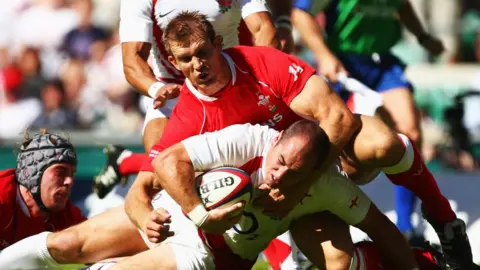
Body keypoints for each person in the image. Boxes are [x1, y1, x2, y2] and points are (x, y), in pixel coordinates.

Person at [0, 11, 470, 270]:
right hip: (252, 204)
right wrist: (173, 212)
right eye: (186, 60)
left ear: (219, 46)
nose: (198, 65)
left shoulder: (262, 63)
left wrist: (298, 181)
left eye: (204, 53)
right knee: (74, 246)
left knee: (383, 143)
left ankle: (444, 220)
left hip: (313, 164)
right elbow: (157, 175)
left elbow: (338, 121)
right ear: (176, 64)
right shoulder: (186, 117)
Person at [106, 121, 437, 269]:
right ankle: (124, 161)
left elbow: (380, 226)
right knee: (70, 245)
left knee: (339, 262)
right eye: (278, 164)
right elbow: (166, 159)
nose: (279, 176)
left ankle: (426, 262)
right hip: (186, 220)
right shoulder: (245, 141)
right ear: (275, 143)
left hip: (231, 257)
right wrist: (199, 213)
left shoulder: (326, 185)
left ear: (311, 174)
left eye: (294, 174)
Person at [93, 0, 289, 198]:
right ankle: (130, 163)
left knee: (277, 162)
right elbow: (132, 61)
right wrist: (157, 89)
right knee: (162, 176)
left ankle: (127, 161)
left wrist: (259, 75)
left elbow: (264, 29)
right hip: (173, 88)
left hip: (233, 79)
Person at [290, 0, 444, 240]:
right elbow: (300, 12)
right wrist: (324, 55)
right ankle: (316, 221)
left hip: (382, 63)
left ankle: (406, 225)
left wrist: (423, 37)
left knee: (410, 133)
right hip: (344, 63)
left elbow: (401, 5)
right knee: (331, 143)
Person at [0, 130, 85, 250]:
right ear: (32, 173)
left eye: (72, 174)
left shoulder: (67, 215)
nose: (69, 181)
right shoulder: (3, 198)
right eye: (60, 172)